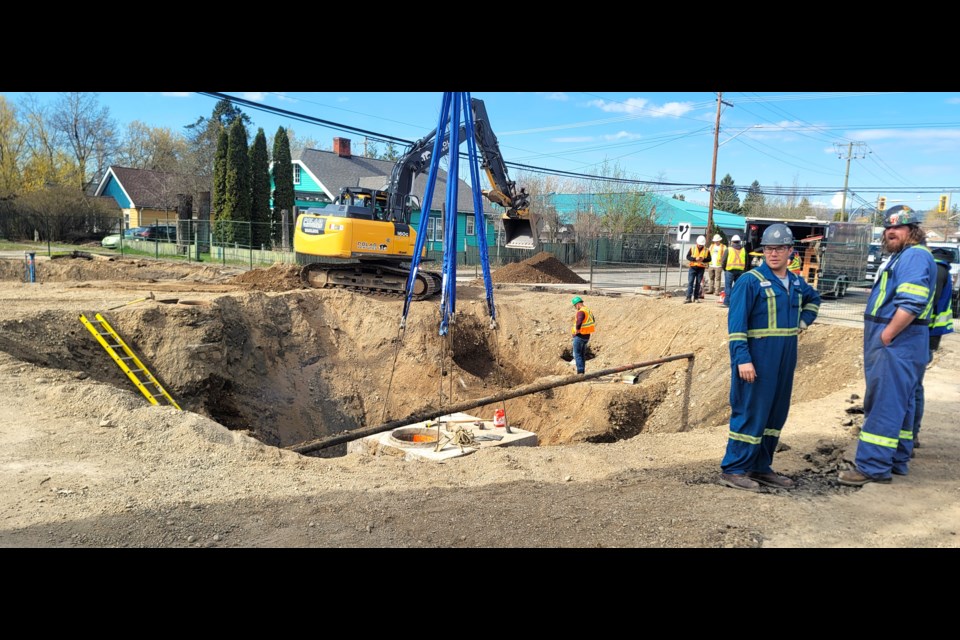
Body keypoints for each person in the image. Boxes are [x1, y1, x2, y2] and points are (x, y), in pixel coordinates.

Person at [838, 205, 938, 486]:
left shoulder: (914, 257)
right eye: (888, 228)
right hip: (906, 342)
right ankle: (896, 460)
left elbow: (913, 301)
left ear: (912, 230)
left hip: (897, 342)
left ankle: (872, 466)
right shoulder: (907, 256)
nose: (891, 232)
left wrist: (887, 334)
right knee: (901, 403)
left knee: (883, 404)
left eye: (898, 227)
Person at [719, 223, 821, 491]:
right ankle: (734, 468)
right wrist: (743, 358)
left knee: (775, 414)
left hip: (785, 360)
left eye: (779, 248)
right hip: (758, 358)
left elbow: (814, 300)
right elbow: (736, 325)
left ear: (790, 251)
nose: (773, 253)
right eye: (768, 248)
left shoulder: (797, 282)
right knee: (751, 411)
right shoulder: (749, 282)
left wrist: (804, 321)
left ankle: (760, 467)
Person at [912, 246, 954, 454]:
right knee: (914, 387)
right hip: (928, 336)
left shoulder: (936, 270)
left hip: (924, 336)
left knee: (913, 388)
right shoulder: (942, 269)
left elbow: (926, 302)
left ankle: (911, 435)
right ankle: (911, 434)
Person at [570, 296, 595, 374]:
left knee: (577, 355)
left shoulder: (581, 311)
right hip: (586, 336)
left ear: (577, 304)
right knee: (582, 355)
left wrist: (577, 330)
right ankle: (582, 372)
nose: (575, 308)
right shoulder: (588, 310)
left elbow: (579, 321)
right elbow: (593, 320)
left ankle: (580, 373)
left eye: (575, 306)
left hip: (580, 336)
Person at [721, 234, 747, 308]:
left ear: (732, 242)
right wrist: (744, 270)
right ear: (739, 242)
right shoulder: (743, 250)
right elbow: (747, 261)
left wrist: (725, 269)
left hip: (729, 270)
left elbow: (723, 261)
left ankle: (727, 302)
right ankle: (737, 302)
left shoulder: (729, 249)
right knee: (738, 287)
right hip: (740, 271)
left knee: (728, 287)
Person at [684, 235, 709, 303]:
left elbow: (709, 259)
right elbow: (688, 257)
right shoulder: (693, 248)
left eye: (701, 245)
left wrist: (703, 259)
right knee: (690, 282)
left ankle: (696, 297)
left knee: (698, 283)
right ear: (696, 242)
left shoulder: (706, 250)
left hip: (701, 268)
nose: (700, 246)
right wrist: (695, 259)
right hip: (693, 267)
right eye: (699, 244)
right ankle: (688, 297)